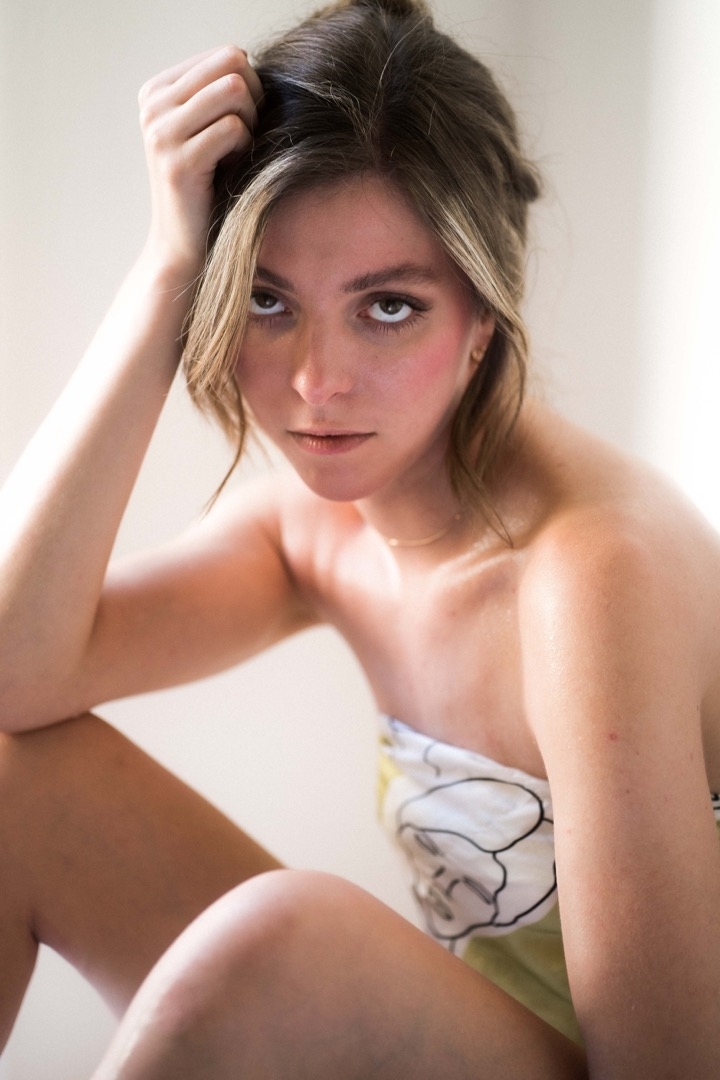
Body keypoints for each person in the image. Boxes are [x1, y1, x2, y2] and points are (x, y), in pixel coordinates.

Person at [0, 0, 719, 1075]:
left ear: (483, 315)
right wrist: (162, 270)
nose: (316, 383)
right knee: (12, 788)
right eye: (267, 300)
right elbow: (14, 673)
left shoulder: (586, 579)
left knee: (286, 937)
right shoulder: (320, 529)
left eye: (387, 308)